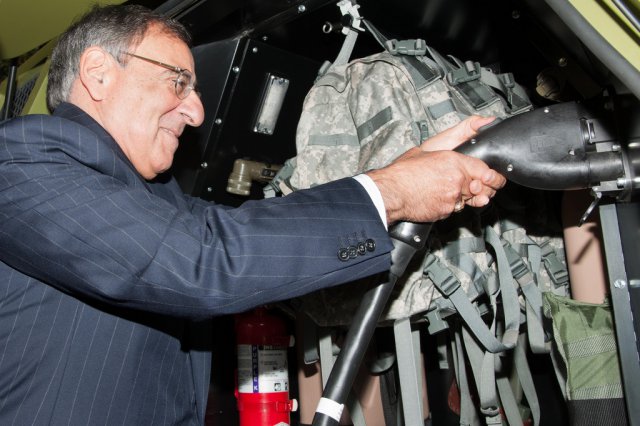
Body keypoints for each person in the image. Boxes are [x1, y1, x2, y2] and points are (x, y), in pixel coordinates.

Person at [0, 4, 505, 425]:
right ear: (99, 73)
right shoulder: (21, 162)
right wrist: (393, 191)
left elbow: (249, 239)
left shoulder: (157, 200)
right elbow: (209, 259)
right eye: (178, 81)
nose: (196, 111)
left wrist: (406, 166)